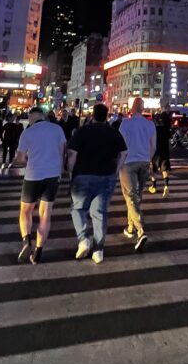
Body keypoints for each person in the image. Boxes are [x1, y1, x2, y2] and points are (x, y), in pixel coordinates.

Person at [67, 102, 128, 263]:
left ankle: (83, 239)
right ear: (106, 116)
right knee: (99, 213)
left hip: (83, 174)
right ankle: (98, 250)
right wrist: (116, 169)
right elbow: (124, 152)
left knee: (78, 209)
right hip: (106, 175)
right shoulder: (113, 133)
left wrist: (70, 170)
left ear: (93, 115)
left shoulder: (82, 131)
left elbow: (72, 154)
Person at [13, 107, 67, 264]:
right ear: (43, 117)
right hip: (52, 175)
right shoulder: (57, 129)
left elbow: (20, 158)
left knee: (25, 211)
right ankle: (38, 252)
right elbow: (62, 151)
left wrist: (30, 157)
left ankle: (26, 240)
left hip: (33, 175)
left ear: (31, 118)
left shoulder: (27, 132)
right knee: (45, 215)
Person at [119, 97, 157, 251]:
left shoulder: (125, 123)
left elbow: (121, 145)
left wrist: (118, 164)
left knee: (131, 197)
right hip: (144, 162)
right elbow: (153, 146)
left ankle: (140, 230)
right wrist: (148, 159)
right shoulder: (150, 124)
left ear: (132, 108)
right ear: (142, 109)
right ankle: (130, 228)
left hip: (128, 163)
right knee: (136, 197)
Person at [150, 108, 171, 196]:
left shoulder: (154, 130)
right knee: (165, 169)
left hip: (156, 152)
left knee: (154, 170)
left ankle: (154, 186)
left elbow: (151, 141)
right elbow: (169, 142)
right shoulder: (166, 130)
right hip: (165, 152)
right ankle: (166, 186)